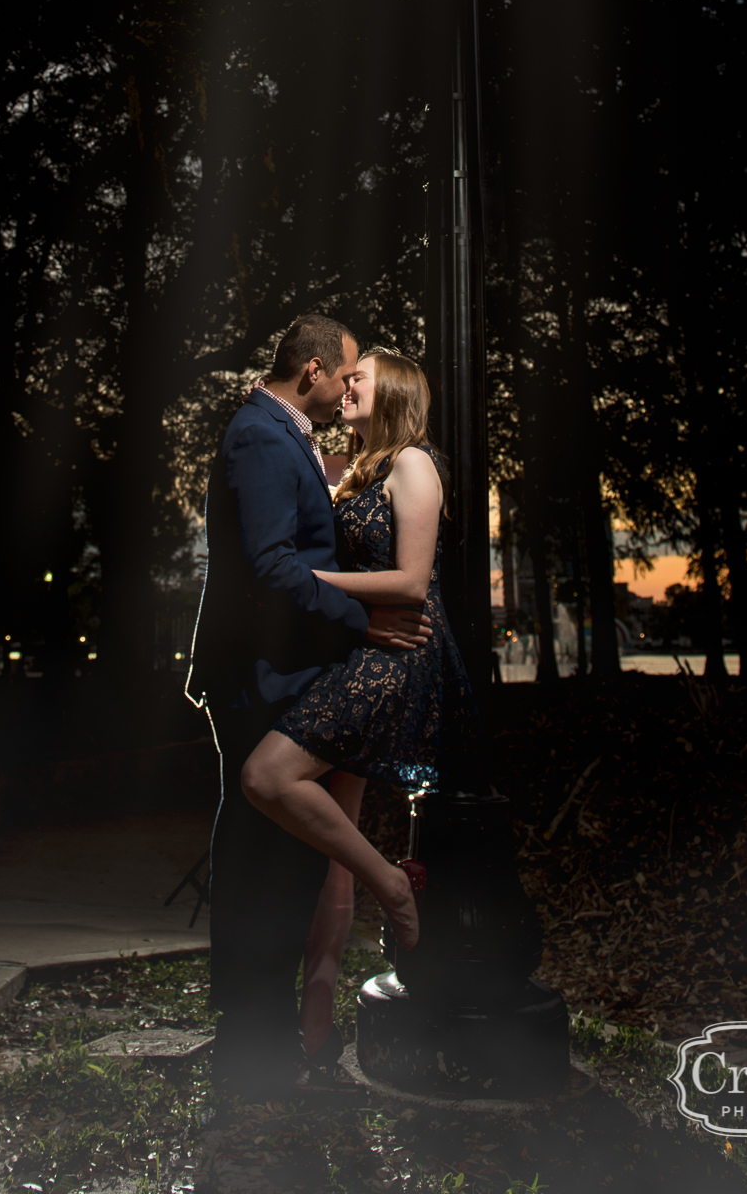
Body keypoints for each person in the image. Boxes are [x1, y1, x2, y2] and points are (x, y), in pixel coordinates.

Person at [185, 314, 431, 1103]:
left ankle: (266, 1031)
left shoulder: (283, 434)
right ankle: (251, 1037)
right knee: (262, 854)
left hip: (287, 672)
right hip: (262, 674)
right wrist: (366, 621)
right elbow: (269, 565)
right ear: (316, 371)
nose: (346, 389)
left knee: (285, 857)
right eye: (345, 374)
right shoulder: (262, 434)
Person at [239, 345, 480, 1075]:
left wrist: (294, 576)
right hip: (357, 649)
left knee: (268, 777)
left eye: (359, 379)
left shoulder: (415, 463)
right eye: (344, 376)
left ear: (394, 391)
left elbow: (410, 580)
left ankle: (392, 889)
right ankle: (318, 1027)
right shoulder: (349, 472)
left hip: (399, 655)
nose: (346, 386)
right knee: (331, 854)